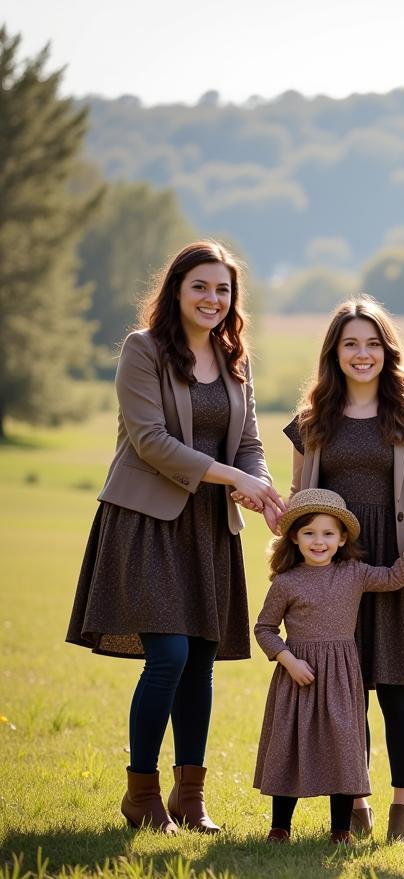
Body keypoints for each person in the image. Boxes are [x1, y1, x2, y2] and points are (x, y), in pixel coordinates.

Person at [67, 240, 287, 835]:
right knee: (167, 656)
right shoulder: (143, 351)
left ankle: (190, 798)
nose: (212, 299)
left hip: (210, 527)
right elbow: (150, 440)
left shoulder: (234, 359)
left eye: (223, 290)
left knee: (201, 663)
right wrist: (232, 476)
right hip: (148, 520)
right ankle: (141, 794)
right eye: (200, 287)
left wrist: (260, 488)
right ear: (176, 290)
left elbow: (251, 444)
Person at [285, 296, 404, 843]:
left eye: (373, 343)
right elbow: (297, 498)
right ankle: (356, 801)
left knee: (396, 691)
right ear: (334, 352)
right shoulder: (312, 421)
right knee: (344, 690)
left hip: (397, 565)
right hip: (336, 572)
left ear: (387, 350)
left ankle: (403, 807)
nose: (362, 354)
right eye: (351, 344)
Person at [253, 489, 404, 844]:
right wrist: (288, 660)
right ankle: (279, 827)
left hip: (340, 675)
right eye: (309, 533)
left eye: (327, 534)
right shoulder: (286, 582)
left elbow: (393, 578)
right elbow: (264, 628)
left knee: (343, 748)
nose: (318, 541)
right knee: (289, 744)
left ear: (342, 538)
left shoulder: (353, 574)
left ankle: (341, 831)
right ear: (294, 537)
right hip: (298, 676)